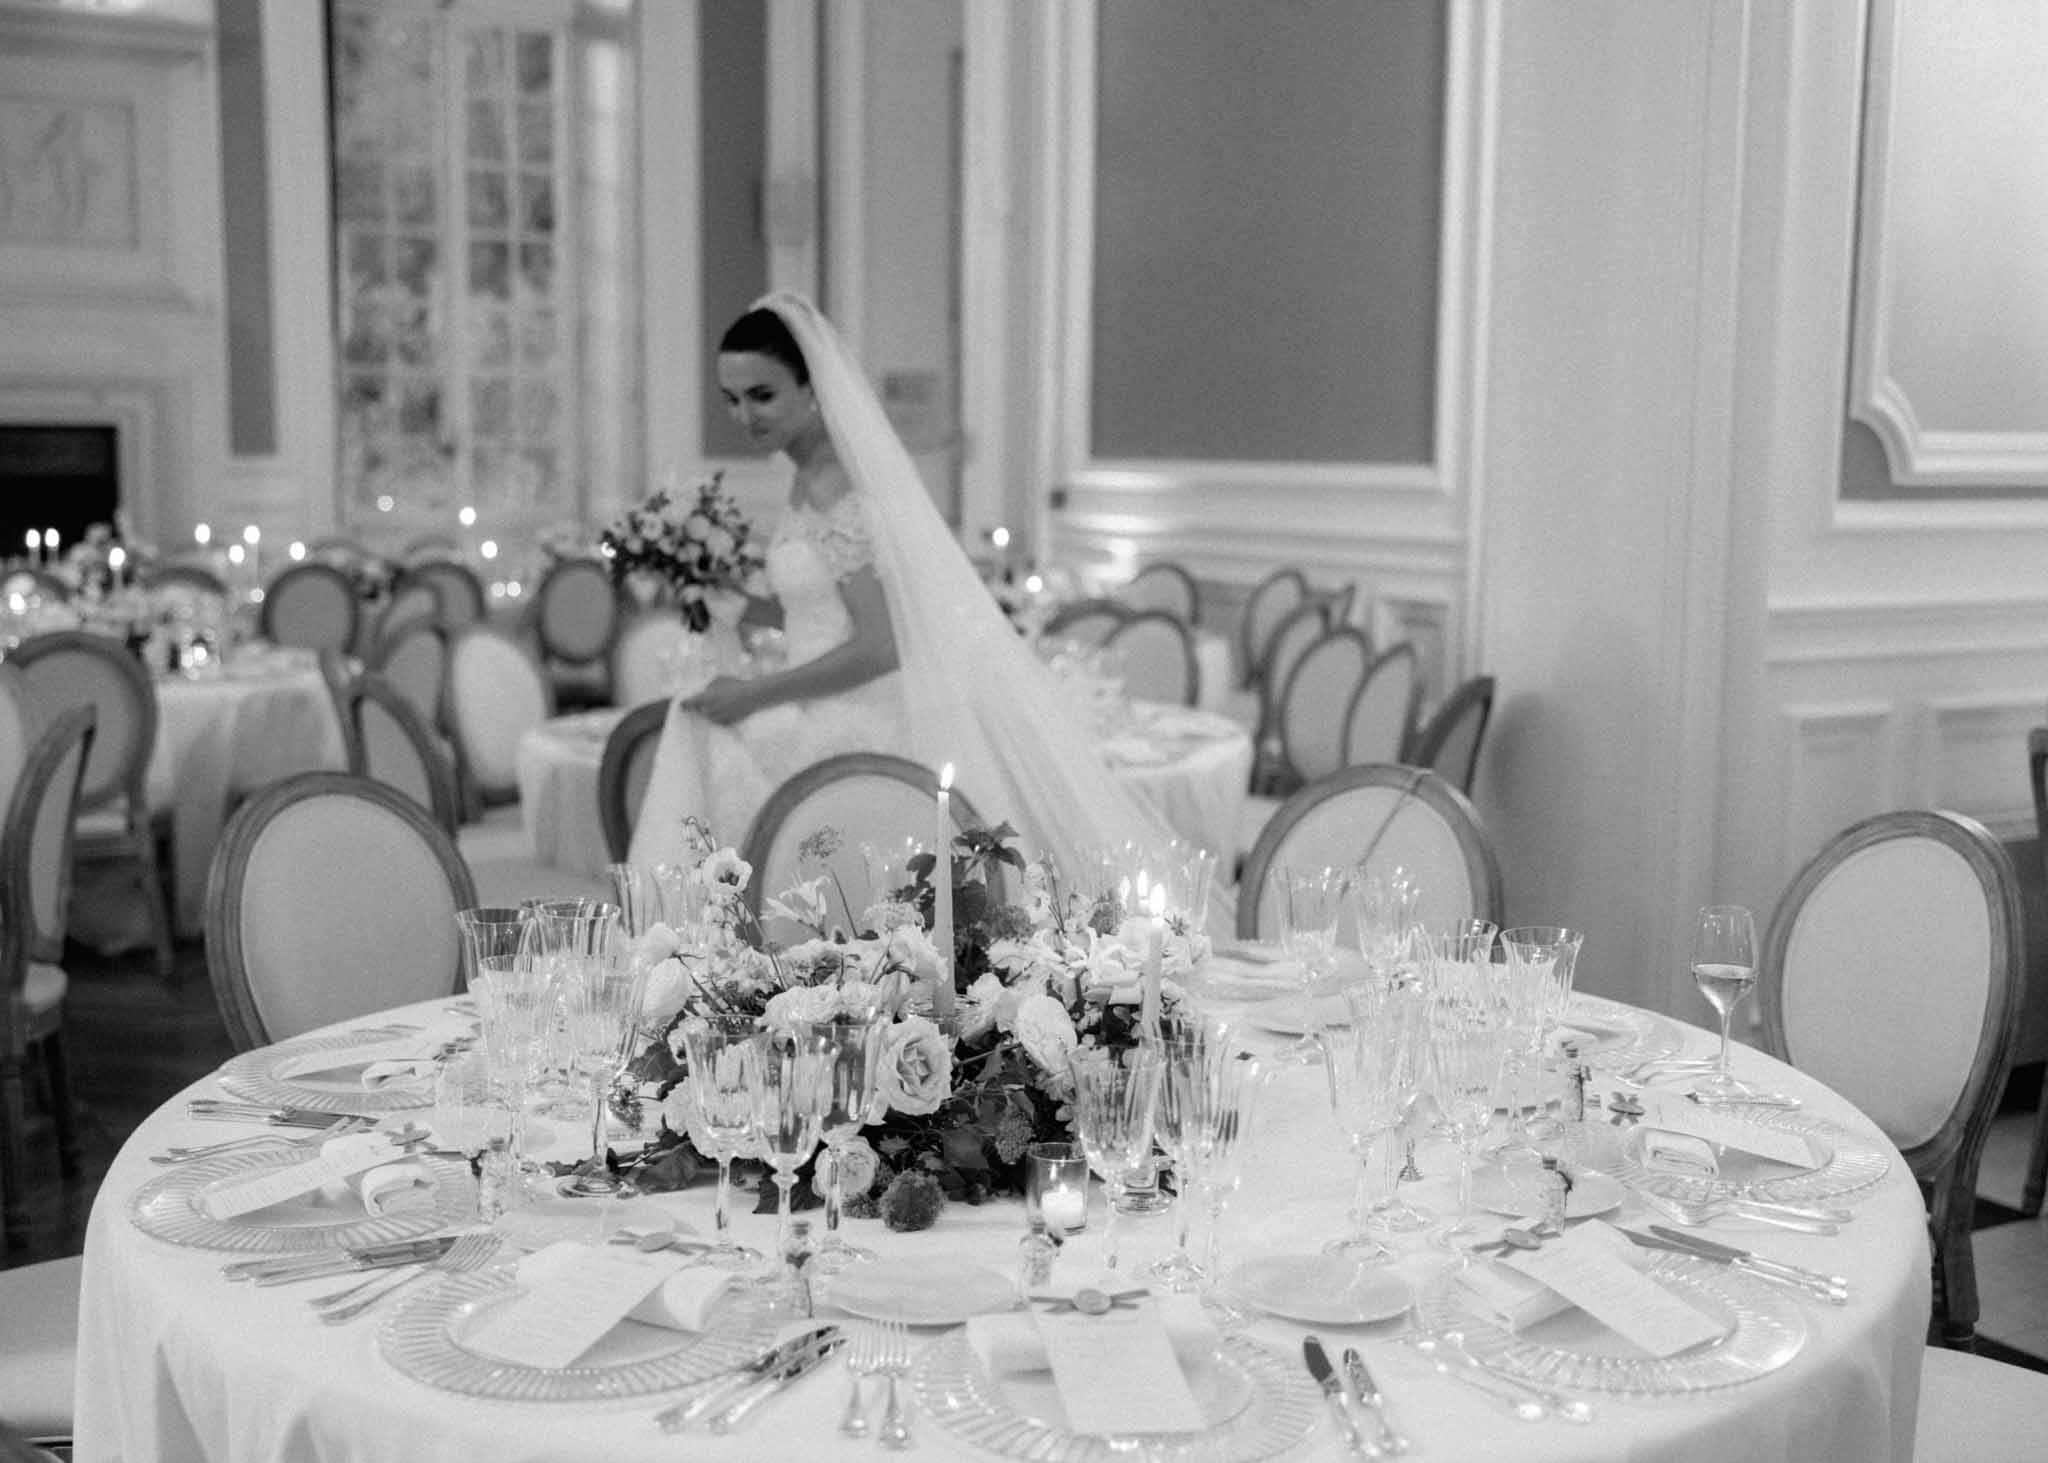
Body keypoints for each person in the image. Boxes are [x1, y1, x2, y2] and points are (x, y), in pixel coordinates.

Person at [628, 291, 1229, 933]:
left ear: (811, 386)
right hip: (815, 703)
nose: (744, 414)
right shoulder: (806, 474)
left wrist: (756, 692)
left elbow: (880, 646)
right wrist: (725, 596)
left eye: (762, 395)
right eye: (731, 398)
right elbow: (816, 610)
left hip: (859, 716)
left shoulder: (838, 484)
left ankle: (693, 946)